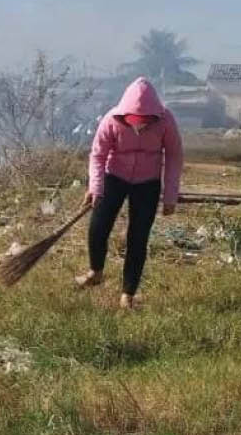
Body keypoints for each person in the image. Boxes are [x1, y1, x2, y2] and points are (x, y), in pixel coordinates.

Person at [76, 77, 183, 310]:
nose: (139, 126)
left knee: (138, 238)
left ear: (155, 115)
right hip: (114, 177)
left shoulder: (166, 120)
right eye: (134, 121)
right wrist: (95, 187)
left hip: (148, 182)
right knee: (98, 227)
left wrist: (170, 195)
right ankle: (96, 271)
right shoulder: (111, 120)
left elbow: (174, 156)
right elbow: (98, 155)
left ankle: (128, 294)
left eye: (145, 122)